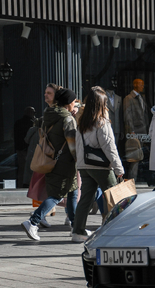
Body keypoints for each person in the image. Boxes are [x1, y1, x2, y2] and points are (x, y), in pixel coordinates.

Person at [21, 88, 79, 241]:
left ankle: (76, 227)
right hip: (65, 162)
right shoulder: (67, 119)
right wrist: (79, 160)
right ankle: (32, 222)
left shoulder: (49, 115)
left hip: (52, 159)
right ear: (68, 103)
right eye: (73, 101)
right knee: (56, 195)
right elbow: (73, 146)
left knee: (73, 192)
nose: (75, 103)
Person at [72, 86, 124, 242]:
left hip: (84, 165)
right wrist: (118, 167)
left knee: (85, 199)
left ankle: (78, 231)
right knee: (115, 197)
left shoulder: (81, 121)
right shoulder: (101, 122)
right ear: (101, 103)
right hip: (100, 166)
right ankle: (114, 229)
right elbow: (109, 147)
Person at [123, 78, 149, 180]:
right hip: (135, 132)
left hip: (143, 131)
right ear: (135, 85)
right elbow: (127, 116)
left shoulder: (142, 97)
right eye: (140, 84)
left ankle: (140, 177)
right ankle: (132, 179)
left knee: (142, 156)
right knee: (135, 157)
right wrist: (131, 131)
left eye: (143, 84)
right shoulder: (129, 98)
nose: (142, 86)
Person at [14, 107, 36, 188]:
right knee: (29, 169)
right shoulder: (31, 124)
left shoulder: (18, 122)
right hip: (27, 149)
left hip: (20, 149)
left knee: (22, 169)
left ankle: (21, 185)